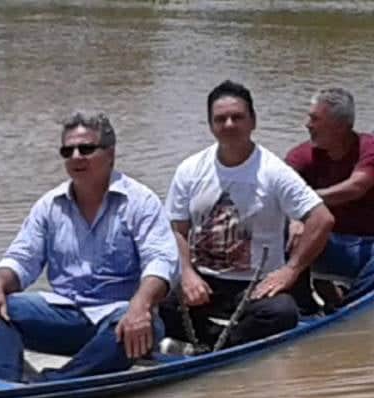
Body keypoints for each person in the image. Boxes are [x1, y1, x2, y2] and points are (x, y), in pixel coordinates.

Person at [0, 112, 179, 383]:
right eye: (67, 150)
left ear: (110, 154)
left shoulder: (140, 202)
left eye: (86, 149)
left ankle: (53, 384)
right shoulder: (50, 205)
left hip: (122, 318)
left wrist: (140, 305)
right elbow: (22, 258)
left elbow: (162, 260)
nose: (76, 156)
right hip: (66, 314)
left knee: (145, 326)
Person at [160, 80, 334, 349]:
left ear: (253, 121)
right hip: (205, 279)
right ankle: (218, 343)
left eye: (237, 117)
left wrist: (291, 270)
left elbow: (322, 219)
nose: (229, 125)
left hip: (256, 284)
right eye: (220, 119)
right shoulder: (190, 169)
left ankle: (211, 347)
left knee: (282, 313)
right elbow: (176, 228)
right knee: (160, 297)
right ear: (210, 125)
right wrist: (186, 273)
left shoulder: (274, 171)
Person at [286, 87, 374, 305]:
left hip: (368, 248)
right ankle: (304, 306)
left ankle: (349, 310)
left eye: (315, 119)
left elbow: (356, 187)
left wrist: (306, 202)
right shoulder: (302, 155)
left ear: (340, 126)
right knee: (280, 231)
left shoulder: (368, 148)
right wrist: (294, 218)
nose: (307, 125)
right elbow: (278, 190)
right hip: (326, 242)